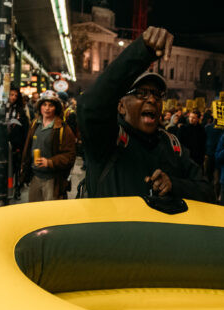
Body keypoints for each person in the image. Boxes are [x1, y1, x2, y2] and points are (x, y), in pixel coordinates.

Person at [77, 26, 214, 202]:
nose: (152, 100)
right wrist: (142, 50)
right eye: (141, 93)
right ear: (121, 106)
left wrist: (174, 185)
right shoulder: (108, 140)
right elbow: (90, 106)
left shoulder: (173, 146)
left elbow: (207, 193)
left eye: (157, 94)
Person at [21, 90, 76, 202]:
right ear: (40, 107)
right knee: (34, 214)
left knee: (52, 216)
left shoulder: (63, 129)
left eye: (50, 105)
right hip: (35, 177)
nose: (47, 108)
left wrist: (50, 162)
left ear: (56, 108)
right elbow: (27, 148)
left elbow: (70, 156)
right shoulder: (35, 124)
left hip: (53, 181)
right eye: (44, 105)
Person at [7, 87, 29, 200]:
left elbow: (25, 128)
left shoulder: (20, 111)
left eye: (15, 95)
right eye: (11, 94)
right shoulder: (2, 108)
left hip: (16, 144)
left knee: (15, 167)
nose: (13, 97)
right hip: (4, 143)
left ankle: (16, 189)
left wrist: (24, 145)